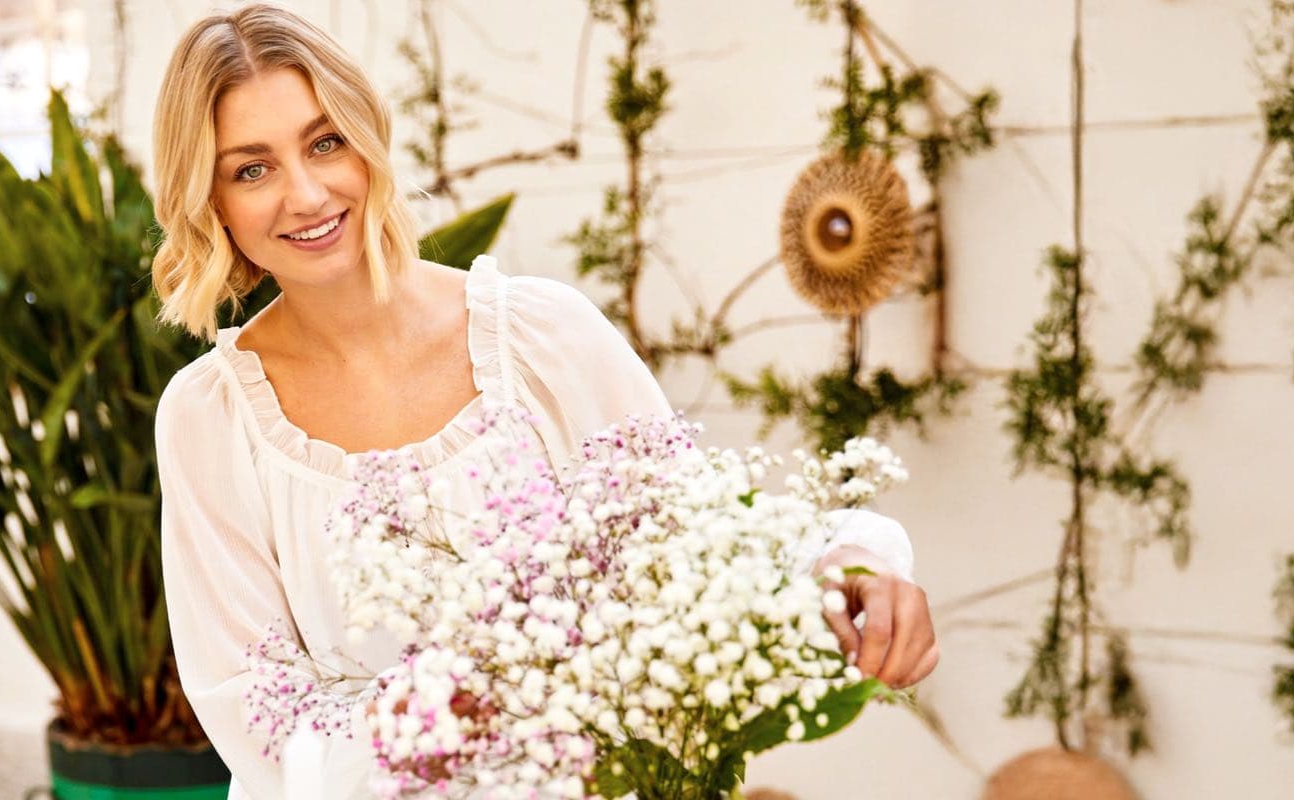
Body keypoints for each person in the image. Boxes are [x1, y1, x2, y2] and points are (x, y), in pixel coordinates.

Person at [147, 5, 937, 797]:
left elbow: (699, 553)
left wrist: (850, 570)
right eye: (252, 168)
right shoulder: (211, 420)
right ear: (209, 200)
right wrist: (438, 721)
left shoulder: (542, 338)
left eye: (325, 142)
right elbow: (255, 717)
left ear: (368, 138)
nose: (308, 193)